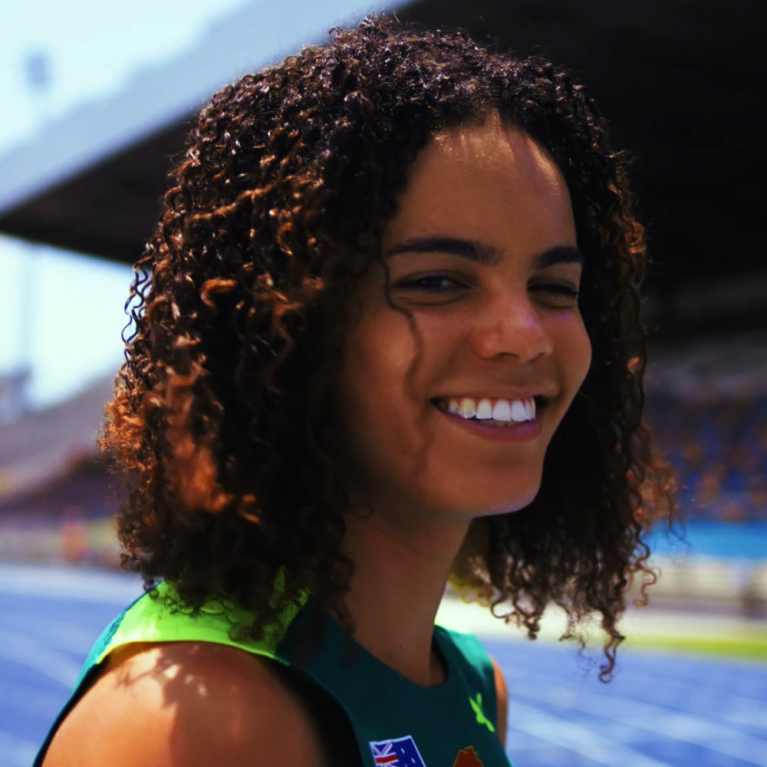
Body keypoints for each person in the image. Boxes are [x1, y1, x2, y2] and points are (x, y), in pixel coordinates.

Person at [36, 15, 676, 767]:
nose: (525, 333)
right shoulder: (198, 723)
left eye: (553, 286)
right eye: (436, 282)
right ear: (287, 330)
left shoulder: (475, 683)